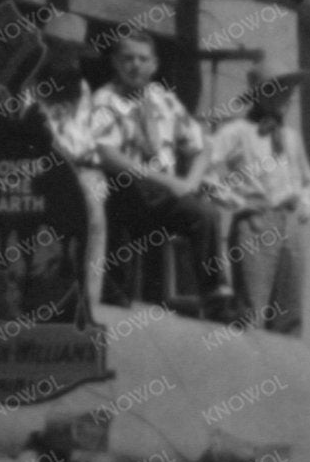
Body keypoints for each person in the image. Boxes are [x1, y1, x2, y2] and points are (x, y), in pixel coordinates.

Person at [66, 28, 228, 310]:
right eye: (127, 58)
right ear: (115, 62)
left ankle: (215, 297)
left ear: (154, 65)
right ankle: (112, 294)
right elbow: (107, 154)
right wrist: (167, 181)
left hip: (163, 195)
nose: (135, 65)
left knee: (206, 214)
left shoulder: (164, 99)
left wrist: (189, 181)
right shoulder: (105, 100)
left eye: (142, 59)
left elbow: (203, 146)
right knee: (114, 196)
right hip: (125, 190)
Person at [202, 73, 310, 336]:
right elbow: (203, 170)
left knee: (290, 309)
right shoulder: (237, 132)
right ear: (261, 94)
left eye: (289, 92)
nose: (286, 99)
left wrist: (304, 205)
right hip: (256, 222)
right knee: (253, 309)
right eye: (279, 91)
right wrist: (237, 202)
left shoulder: (291, 137)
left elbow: (307, 178)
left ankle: (285, 373)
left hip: (289, 223)